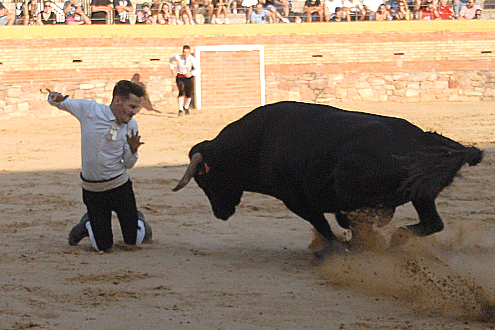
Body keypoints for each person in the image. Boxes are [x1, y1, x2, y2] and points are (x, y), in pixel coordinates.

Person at [46, 81, 152, 253]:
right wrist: (54, 97)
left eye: (137, 108)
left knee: (132, 244)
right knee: (103, 247)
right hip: (93, 191)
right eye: (132, 106)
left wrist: (133, 151)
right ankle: (88, 224)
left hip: (120, 187)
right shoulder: (89, 110)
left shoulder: (131, 125)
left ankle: (139, 222)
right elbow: (59, 102)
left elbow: (129, 164)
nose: (134, 112)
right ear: (118, 100)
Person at [169, 45, 200, 116]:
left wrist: (191, 73)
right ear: (182, 52)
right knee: (181, 90)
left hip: (188, 77)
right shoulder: (178, 57)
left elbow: (198, 70)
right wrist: (172, 69)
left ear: (189, 53)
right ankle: (180, 109)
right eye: (184, 52)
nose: (185, 54)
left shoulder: (192, 59)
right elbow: (170, 59)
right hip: (180, 76)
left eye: (187, 52)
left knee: (188, 94)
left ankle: (186, 107)